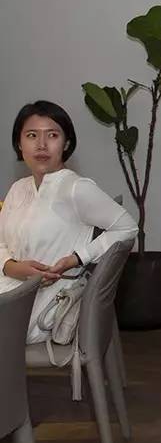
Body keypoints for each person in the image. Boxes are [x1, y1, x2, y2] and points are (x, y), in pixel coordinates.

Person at [0, 101, 138, 344]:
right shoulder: (18, 189)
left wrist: (77, 258)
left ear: (66, 143)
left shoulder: (75, 188)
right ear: (19, 144)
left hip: (42, 303)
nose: (41, 145)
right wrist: (11, 266)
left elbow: (127, 228)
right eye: (32, 135)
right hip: (9, 288)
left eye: (52, 135)